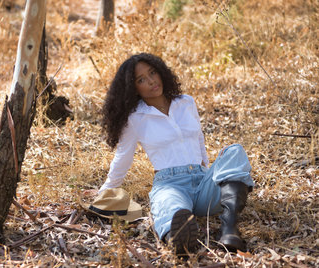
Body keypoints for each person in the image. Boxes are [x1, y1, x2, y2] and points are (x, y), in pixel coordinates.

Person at [98, 53, 254, 254]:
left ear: (160, 70)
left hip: (202, 179)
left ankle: (229, 229)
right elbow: (123, 157)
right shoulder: (135, 118)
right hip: (170, 184)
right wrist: (106, 190)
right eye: (141, 79)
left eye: (152, 72)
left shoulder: (186, 102)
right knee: (171, 207)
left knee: (235, 151)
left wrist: (208, 169)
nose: (152, 81)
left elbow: (199, 139)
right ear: (133, 87)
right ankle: (179, 238)